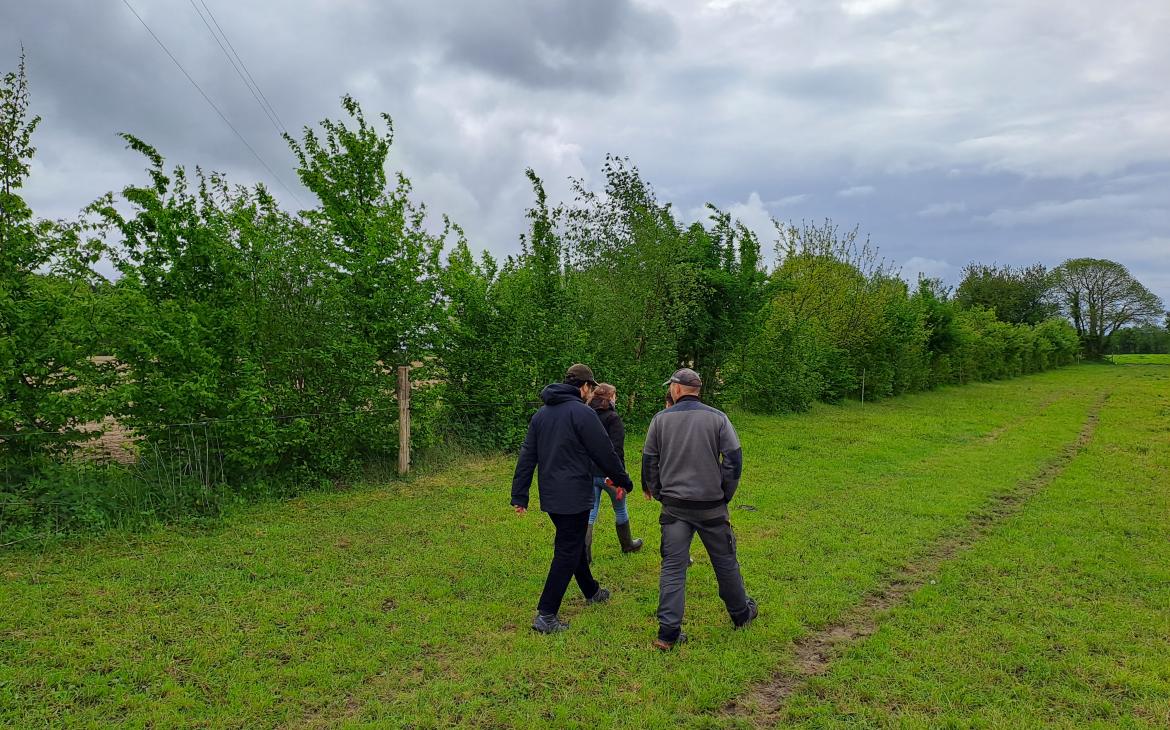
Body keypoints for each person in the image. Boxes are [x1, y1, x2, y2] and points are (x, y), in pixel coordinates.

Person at [512, 364, 635, 634]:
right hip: (574, 496)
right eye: (591, 389)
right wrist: (624, 481)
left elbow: (527, 456)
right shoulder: (583, 413)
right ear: (585, 387)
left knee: (574, 541)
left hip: (552, 496)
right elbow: (605, 452)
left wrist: (519, 494)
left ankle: (591, 591)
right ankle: (546, 615)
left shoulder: (541, 415)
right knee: (567, 550)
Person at [642, 367, 757, 650]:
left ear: (678, 389)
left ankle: (667, 632)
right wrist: (723, 495)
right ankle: (741, 613)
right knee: (725, 561)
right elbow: (734, 461)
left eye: (671, 386)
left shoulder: (660, 420)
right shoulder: (718, 418)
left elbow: (649, 463)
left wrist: (659, 494)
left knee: (673, 567)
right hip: (711, 506)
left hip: (675, 507)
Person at [585, 383, 643, 564]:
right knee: (620, 508)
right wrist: (619, 477)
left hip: (589, 473)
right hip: (609, 475)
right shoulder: (613, 418)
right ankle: (628, 544)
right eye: (615, 395)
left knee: (590, 513)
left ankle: (585, 555)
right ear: (610, 398)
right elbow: (616, 450)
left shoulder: (585, 416)